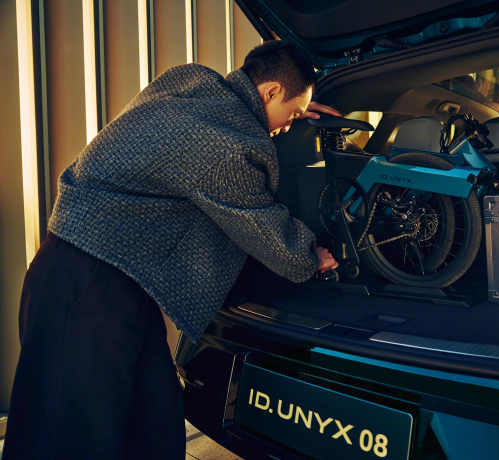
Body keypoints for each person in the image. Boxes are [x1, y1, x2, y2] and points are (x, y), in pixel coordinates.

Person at [2, 40, 339, 460]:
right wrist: (311, 256)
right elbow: (261, 224)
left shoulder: (188, 84)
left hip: (108, 280)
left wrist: (290, 108)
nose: (289, 126)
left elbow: (236, 121)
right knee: (66, 437)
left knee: (154, 423)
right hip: (86, 287)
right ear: (270, 91)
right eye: (291, 115)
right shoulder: (226, 145)